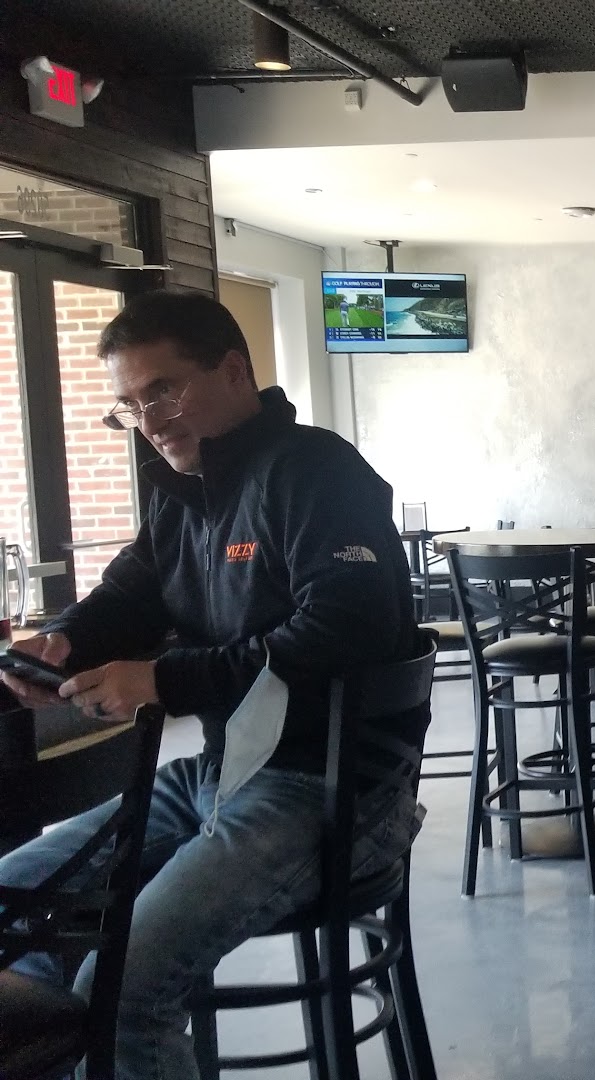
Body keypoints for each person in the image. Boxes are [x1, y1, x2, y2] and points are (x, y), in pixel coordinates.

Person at [0, 290, 422, 1080]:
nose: (149, 420)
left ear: (233, 372)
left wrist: (166, 679)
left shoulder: (316, 470)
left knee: (122, 994)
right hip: (219, 777)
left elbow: (350, 626)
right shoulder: (182, 495)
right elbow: (127, 598)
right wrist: (62, 641)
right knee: (15, 908)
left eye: (163, 390)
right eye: (130, 405)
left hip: (333, 791)